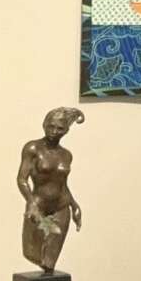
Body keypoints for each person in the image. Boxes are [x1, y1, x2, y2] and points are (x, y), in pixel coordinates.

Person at [16, 106, 85, 272]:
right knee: (32, 252)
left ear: (66, 131)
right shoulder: (33, 148)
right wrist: (31, 202)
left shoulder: (66, 155)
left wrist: (74, 205)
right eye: (50, 126)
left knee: (49, 261)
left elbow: (62, 184)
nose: (54, 131)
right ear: (44, 125)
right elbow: (22, 179)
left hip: (61, 207)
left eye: (60, 128)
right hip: (39, 206)